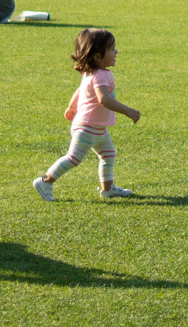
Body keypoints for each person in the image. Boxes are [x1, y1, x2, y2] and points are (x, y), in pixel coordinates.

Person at [33, 27, 139, 201]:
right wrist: (127, 110)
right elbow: (104, 99)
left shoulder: (93, 73)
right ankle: (45, 181)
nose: (116, 52)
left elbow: (81, 90)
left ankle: (107, 189)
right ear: (97, 56)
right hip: (88, 127)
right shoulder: (99, 76)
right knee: (73, 158)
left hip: (97, 128)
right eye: (112, 49)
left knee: (108, 154)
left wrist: (71, 106)